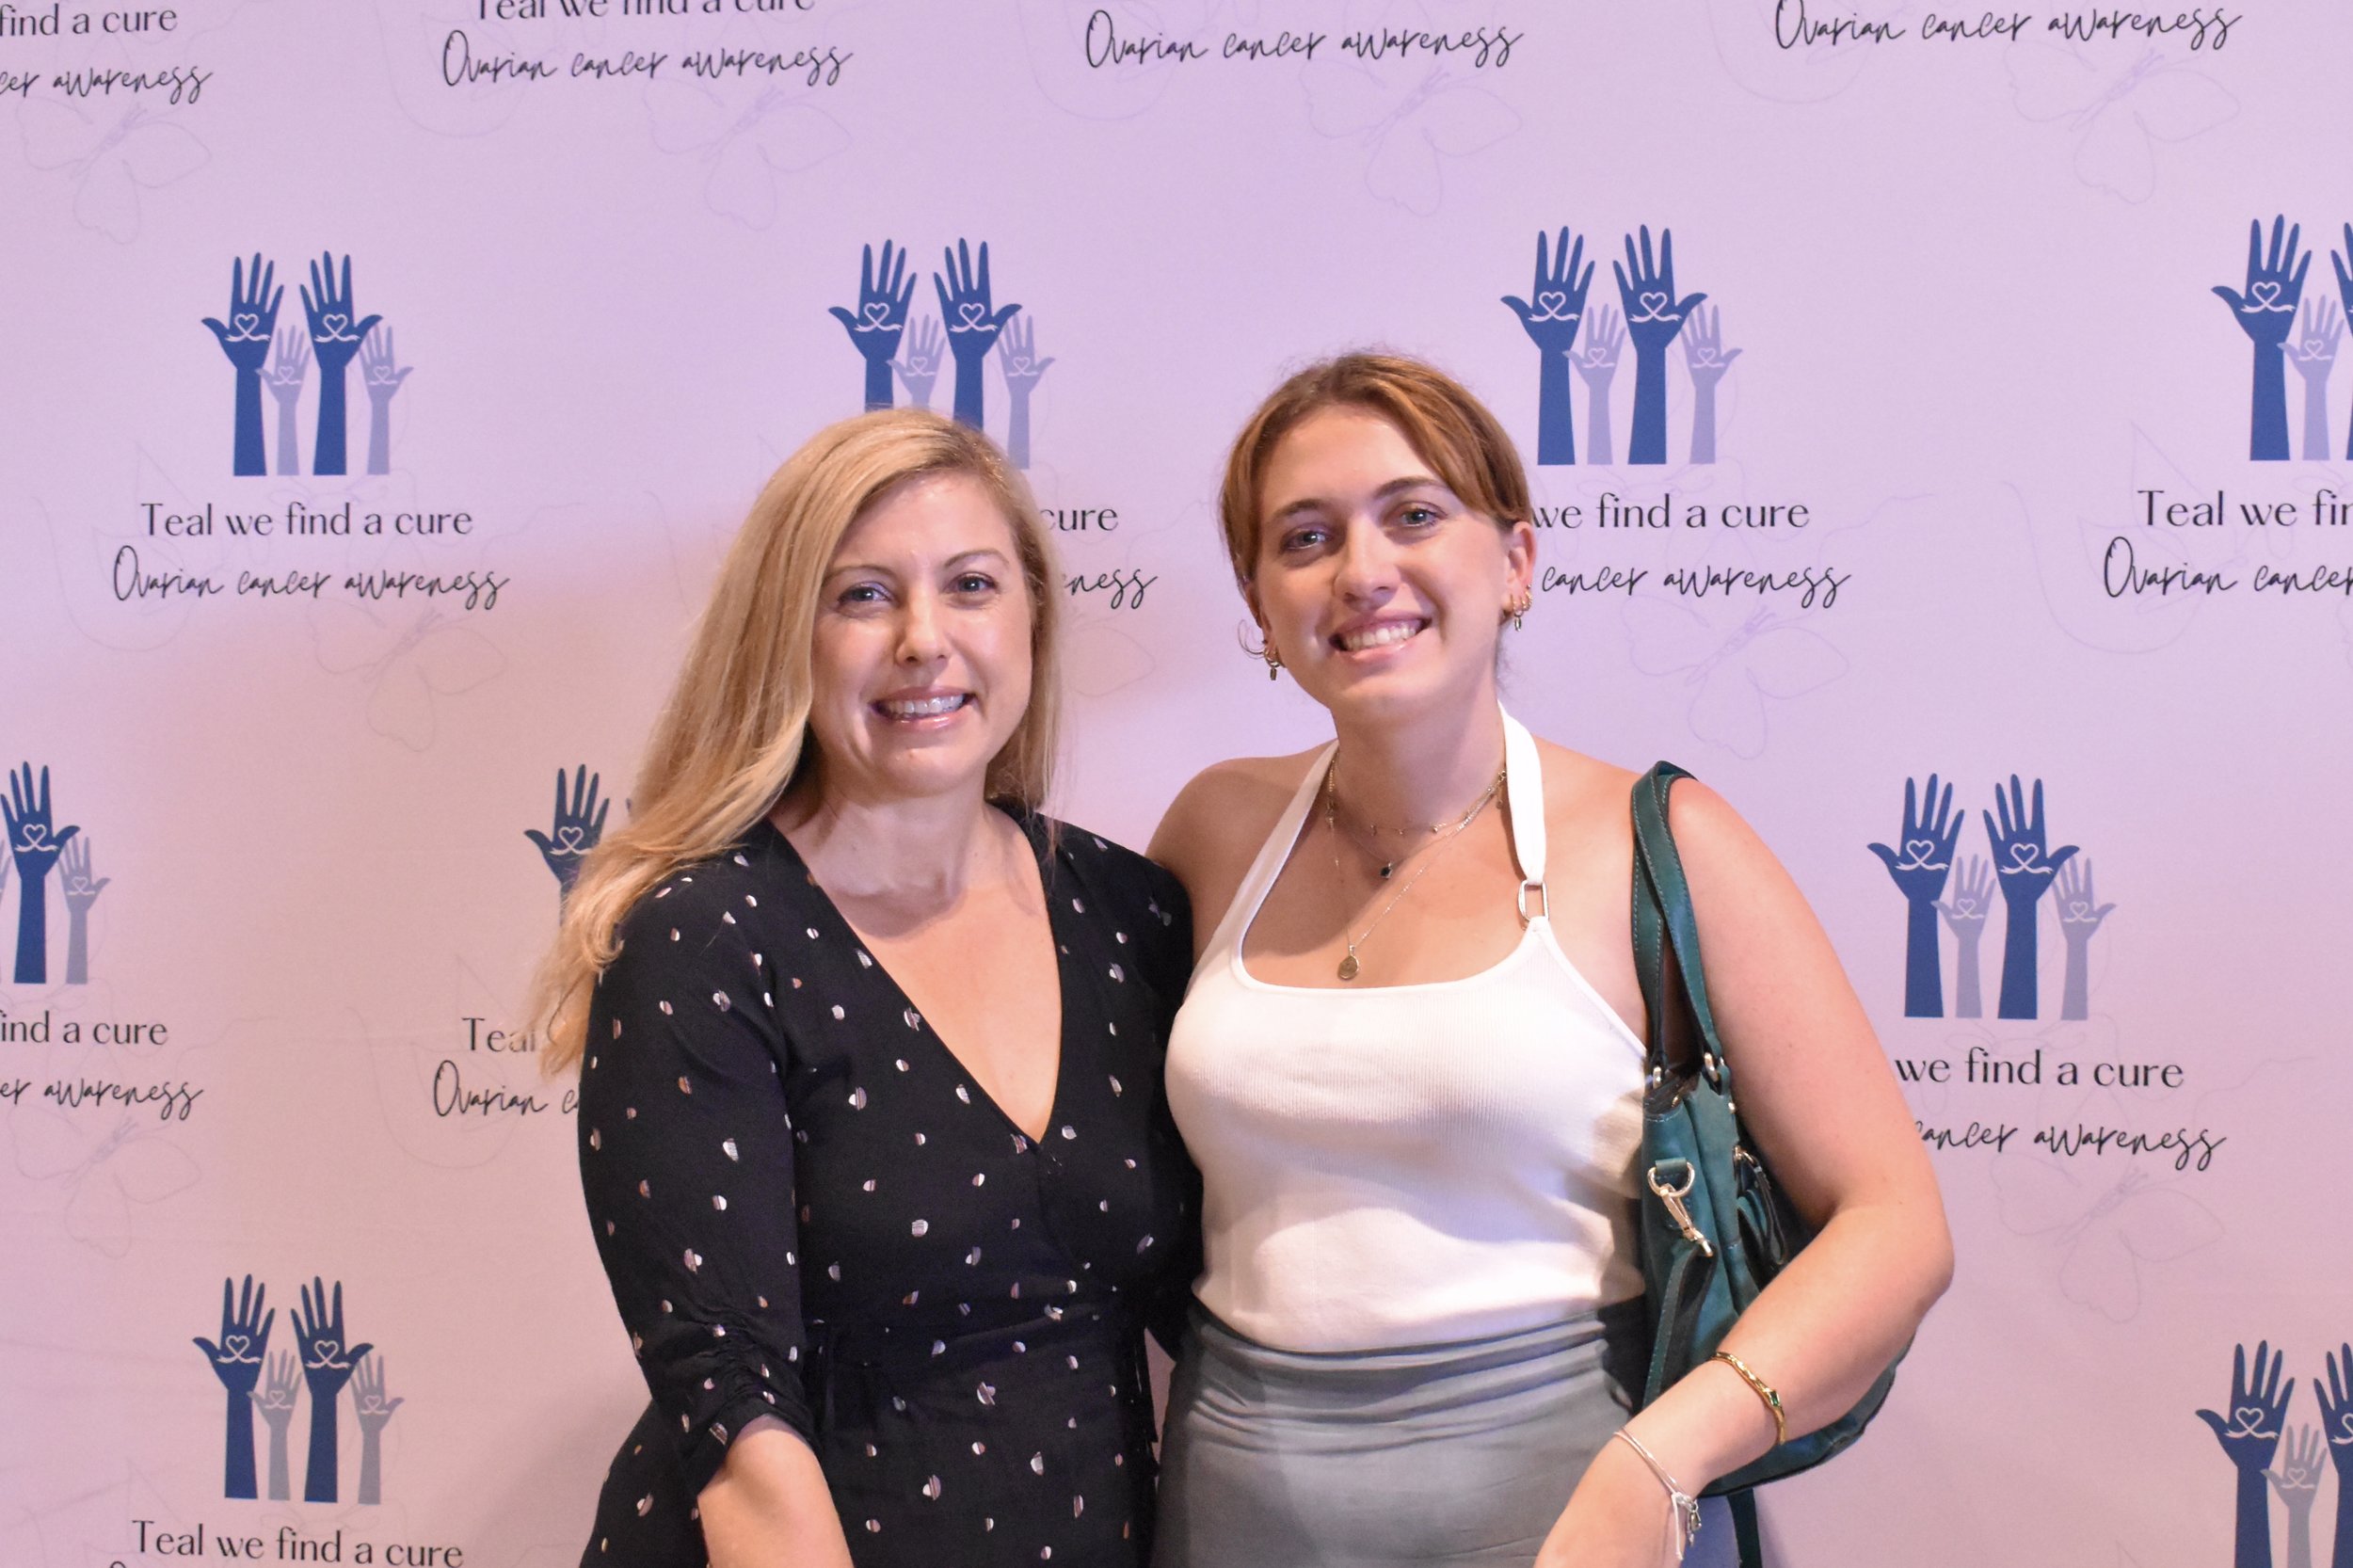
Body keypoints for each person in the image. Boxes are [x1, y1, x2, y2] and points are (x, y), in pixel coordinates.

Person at [1147, 354, 1952, 1567]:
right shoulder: (1210, 831)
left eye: (1413, 514)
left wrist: (1660, 1464)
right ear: (1261, 608)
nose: (1363, 572)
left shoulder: (1663, 841)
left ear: (1515, 561)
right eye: (1304, 537)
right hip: (1230, 1519)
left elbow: (1894, 1224)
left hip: (1574, 1527)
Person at [533, 409, 1198, 1568]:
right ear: (786, 633)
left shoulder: (1127, 911)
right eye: (863, 596)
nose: (924, 641)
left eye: (972, 585)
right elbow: (734, 1420)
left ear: (1031, 615)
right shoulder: (707, 937)